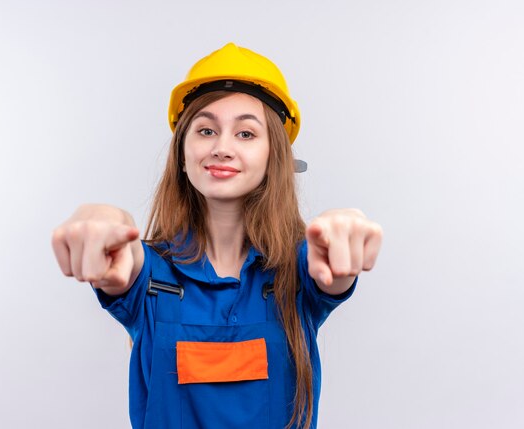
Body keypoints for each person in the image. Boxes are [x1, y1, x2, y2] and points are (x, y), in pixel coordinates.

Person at [51, 43, 383, 429]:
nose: (222, 148)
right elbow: (125, 260)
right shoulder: (148, 277)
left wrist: (345, 226)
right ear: (182, 152)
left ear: (274, 155)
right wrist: (103, 219)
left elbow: (330, 266)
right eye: (206, 130)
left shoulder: (303, 270)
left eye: (245, 133)